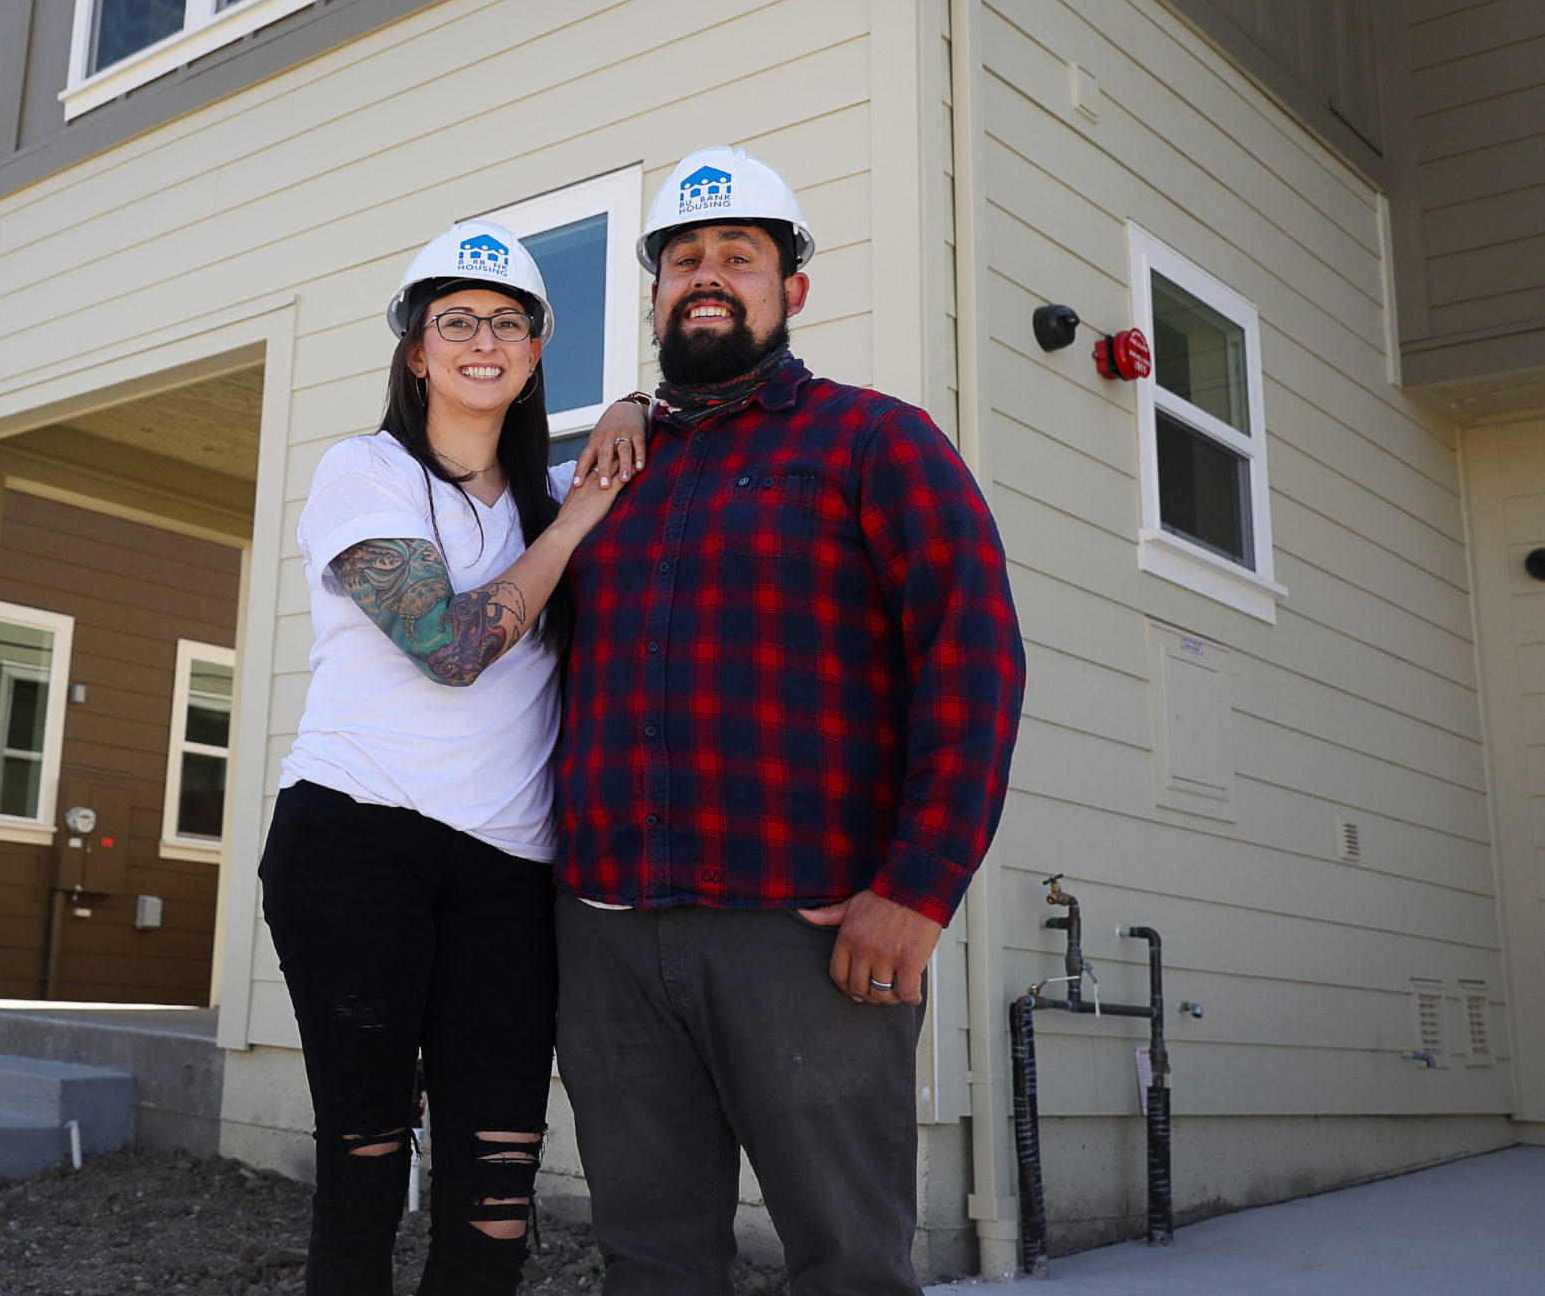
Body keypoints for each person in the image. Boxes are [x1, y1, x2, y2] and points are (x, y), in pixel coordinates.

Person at [559, 148, 1026, 1295]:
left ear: (790, 291)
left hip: (807, 933)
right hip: (607, 930)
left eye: (737, 255)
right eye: (682, 258)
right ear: (656, 293)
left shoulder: (874, 440)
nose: (705, 274)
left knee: (849, 1261)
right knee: (649, 1258)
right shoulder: (605, 476)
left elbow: (972, 659)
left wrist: (917, 888)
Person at [262, 221, 632, 1296]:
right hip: (354, 843)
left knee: (498, 1192)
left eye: (506, 322)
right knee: (367, 1160)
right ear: (415, 351)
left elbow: (656, 442)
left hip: (511, 873)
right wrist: (569, 529)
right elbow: (451, 645)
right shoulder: (362, 470)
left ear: (530, 354)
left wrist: (634, 407)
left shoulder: (548, 488)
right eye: (455, 321)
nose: (483, 339)